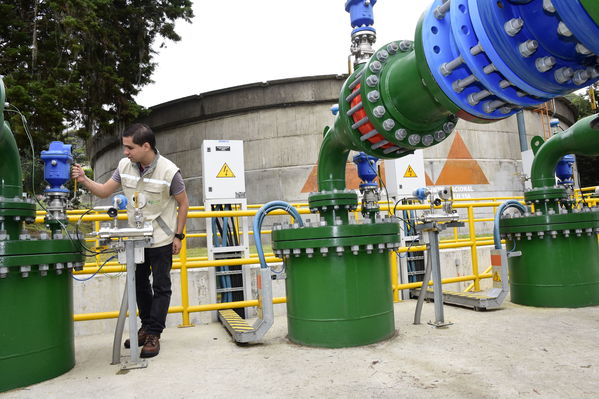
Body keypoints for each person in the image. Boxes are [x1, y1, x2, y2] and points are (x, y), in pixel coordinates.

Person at [72, 123, 189, 358]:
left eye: (130, 147)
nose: (125, 152)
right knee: (138, 284)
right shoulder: (125, 166)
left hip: (161, 239)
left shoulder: (169, 171)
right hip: (136, 237)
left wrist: (178, 235)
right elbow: (105, 191)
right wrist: (84, 180)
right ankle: (146, 326)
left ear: (146, 146)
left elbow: (183, 203)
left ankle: (154, 333)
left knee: (161, 286)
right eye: (125, 147)